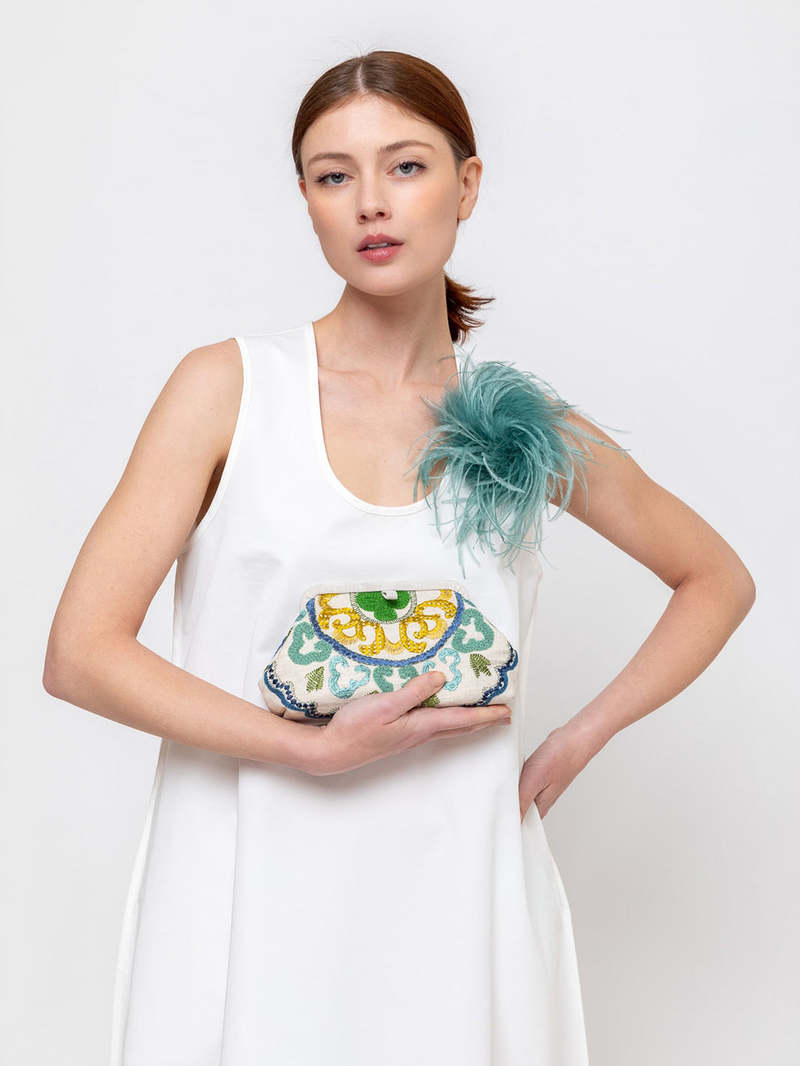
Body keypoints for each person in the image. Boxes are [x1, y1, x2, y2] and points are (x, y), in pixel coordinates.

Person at [43, 49, 756, 1066]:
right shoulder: (227, 389)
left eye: (406, 166)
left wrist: (573, 741)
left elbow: (715, 578)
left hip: (459, 882)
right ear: (305, 199)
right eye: (334, 175)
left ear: (467, 183)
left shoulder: (518, 423)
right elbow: (80, 653)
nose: (371, 202)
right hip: (250, 878)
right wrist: (305, 749)